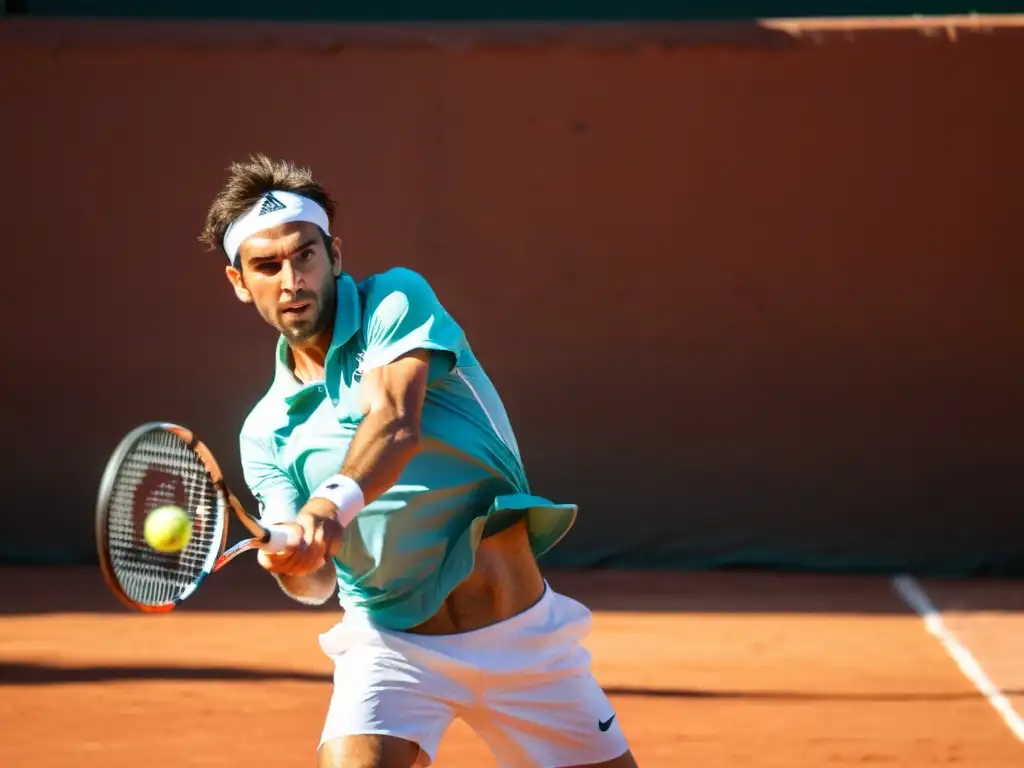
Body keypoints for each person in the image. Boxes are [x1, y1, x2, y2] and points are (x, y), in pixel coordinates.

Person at [199, 154, 637, 768]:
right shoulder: (265, 432)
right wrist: (292, 556)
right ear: (240, 282)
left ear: (335, 257)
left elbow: (395, 423)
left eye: (305, 255)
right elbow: (315, 581)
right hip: (390, 649)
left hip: (525, 641)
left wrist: (327, 508)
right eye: (267, 266)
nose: (292, 280)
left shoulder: (394, 301)